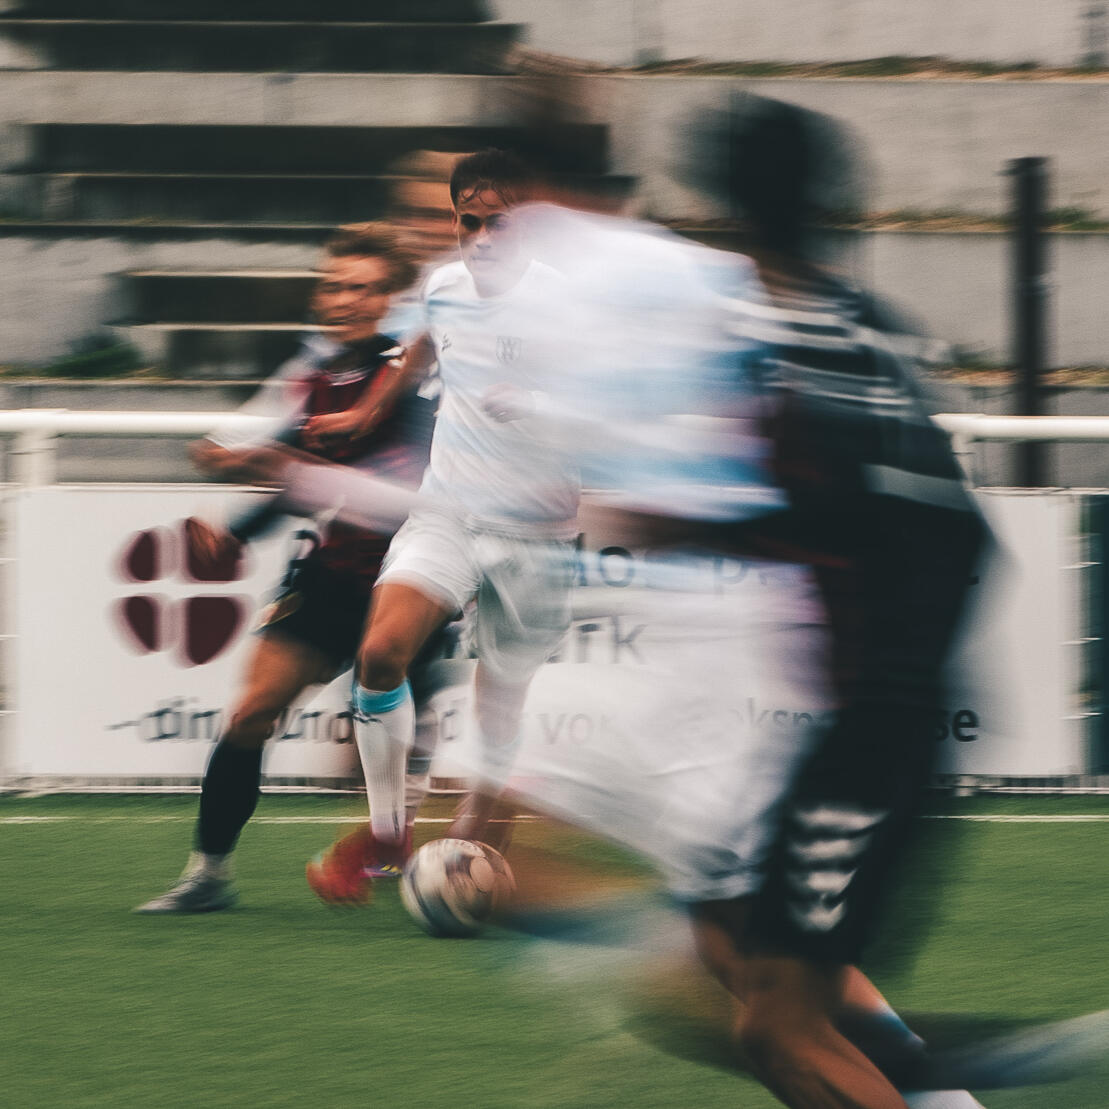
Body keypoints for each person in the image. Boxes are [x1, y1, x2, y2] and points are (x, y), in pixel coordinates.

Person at [135, 222, 443, 914]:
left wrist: (268, 468)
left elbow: (402, 486)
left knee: (394, 752)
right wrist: (236, 533)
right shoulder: (313, 381)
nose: (344, 300)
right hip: (332, 574)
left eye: (362, 288)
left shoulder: (416, 377)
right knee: (251, 713)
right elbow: (295, 477)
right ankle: (208, 874)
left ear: (391, 298)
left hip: (416, 578)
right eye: (333, 286)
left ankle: (404, 859)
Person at [301, 149, 579, 903]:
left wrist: (541, 406)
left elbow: (609, 404)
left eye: (500, 222)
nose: (482, 237)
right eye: (469, 221)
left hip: (535, 530)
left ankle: (481, 825)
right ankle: (389, 832)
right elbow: (422, 342)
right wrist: (364, 413)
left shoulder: (564, 305)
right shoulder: (445, 286)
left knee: (501, 699)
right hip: (449, 510)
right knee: (379, 654)